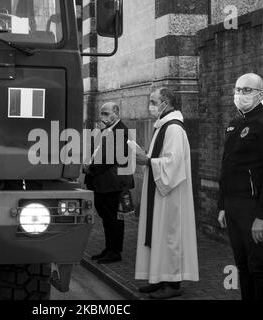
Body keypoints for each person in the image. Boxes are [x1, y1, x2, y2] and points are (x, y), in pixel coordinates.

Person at [218, 73, 263, 300]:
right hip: (232, 205)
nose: (240, 94)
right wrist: (221, 205)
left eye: (247, 90)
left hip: (253, 207)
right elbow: (226, 167)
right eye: (238, 89)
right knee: (242, 265)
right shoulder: (234, 124)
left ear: (260, 94)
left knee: (258, 266)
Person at [133, 87, 199, 299]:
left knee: (170, 236)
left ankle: (172, 283)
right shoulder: (163, 125)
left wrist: (148, 160)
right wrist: (149, 157)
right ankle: (159, 278)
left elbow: (174, 163)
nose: (150, 106)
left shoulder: (173, 128)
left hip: (171, 194)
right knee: (158, 235)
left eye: (153, 101)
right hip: (160, 191)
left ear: (167, 102)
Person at [85, 102, 134, 264]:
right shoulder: (105, 130)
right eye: (102, 114)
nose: (102, 117)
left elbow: (109, 158)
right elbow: (96, 150)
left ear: (116, 113)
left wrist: (89, 168)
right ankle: (108, 248)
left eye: (106, 114)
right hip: (102, 183)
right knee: (106, 218)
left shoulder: (121, 130)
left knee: (114, 219)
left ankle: (115, 251)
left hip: (112, 184)